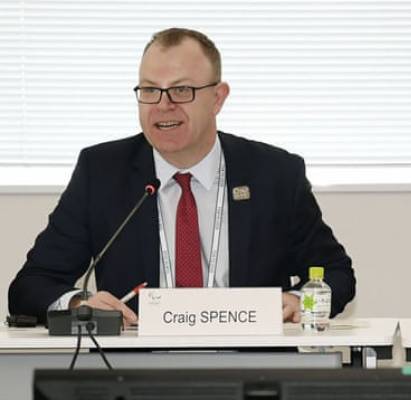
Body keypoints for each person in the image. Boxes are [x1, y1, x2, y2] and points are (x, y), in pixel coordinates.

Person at [9, 27, 355, 325]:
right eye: (149, 90)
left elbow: (336, 275)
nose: (163, 105)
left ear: (218, 98)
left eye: (181, 90)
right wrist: (78, 304)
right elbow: (32, 285)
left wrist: (298, 302)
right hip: (135, 371)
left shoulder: (274, 174)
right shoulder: (102, 172)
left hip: (251, 367)